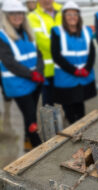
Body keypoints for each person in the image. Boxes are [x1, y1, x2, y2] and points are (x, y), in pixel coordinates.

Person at [0, 0, 44, 149]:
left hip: (33, 81)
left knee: (30, 113)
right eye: (13, 13)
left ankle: (27, 136)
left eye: (19, 13)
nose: (17, 16)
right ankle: (35, 143)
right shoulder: (2, 36)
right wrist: (32, 74)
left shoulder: (28, 32)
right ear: (6, 15)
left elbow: (38, 54)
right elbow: (9, 62)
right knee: (30, 114)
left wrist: (39, 71)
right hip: (18, 84)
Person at [50, 1, 97, 124]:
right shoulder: (57, 31)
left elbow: (92, 52)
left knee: (80, 103)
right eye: (69, 14)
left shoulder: (86, 31)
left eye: (75, 14)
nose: (72, 17)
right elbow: (56, 55)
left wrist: (87, 68)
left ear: (79, 16)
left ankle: (81, 125)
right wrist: (74, 70)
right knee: (69, 105)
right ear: (64, 17)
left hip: (83, 75)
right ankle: (73, 126)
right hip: (66, 76)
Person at [28, 0, 62, 106]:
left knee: (67, 99)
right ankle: (51, 122)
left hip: (64, 66)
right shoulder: (32, 17)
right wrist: (65, 47)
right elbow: (40, 40)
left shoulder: (63, 11)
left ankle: (69, 119)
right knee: (48, 101)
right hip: (46, 68)